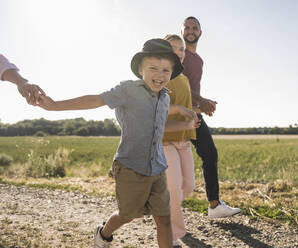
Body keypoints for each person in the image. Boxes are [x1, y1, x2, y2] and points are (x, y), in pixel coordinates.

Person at [37, 39, 199, 248]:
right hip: (131, 166)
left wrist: (188, 124)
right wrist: (55, 106)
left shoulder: (164, 98)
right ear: (141, 68)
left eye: (166, 70)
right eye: (153, 68)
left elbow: (158, 131)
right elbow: (96, 99)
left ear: (172, 72)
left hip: (158, 167)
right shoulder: (127, 90)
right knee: (127, 214)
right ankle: (103, 233)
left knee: (164, 219)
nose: (160, 75)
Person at [182, 16, 241, 218]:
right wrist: (201, 100)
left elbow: (191, 88)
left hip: (194, 113)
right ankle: (161, 207)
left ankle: (214, 205)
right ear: (182, 31)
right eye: (187, 27)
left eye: (194, 27)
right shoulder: (180, 56)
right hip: (179, 114)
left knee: (209, 153)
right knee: (172, 161)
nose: (191, 30)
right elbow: (180, 87)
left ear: (200, 32)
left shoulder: (198, 60)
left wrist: (202, 103)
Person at [162, 34, 198, 246]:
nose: (179, 52)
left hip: (184, 139)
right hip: (165, 140)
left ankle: (162, 205)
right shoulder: (162, 78)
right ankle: (173, 234)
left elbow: (185, 107)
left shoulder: (184, 79)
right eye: (173, 48)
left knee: (188, 186)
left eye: (182, 49)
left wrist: (194, 115)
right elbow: (157, 111)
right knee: (174, 187)